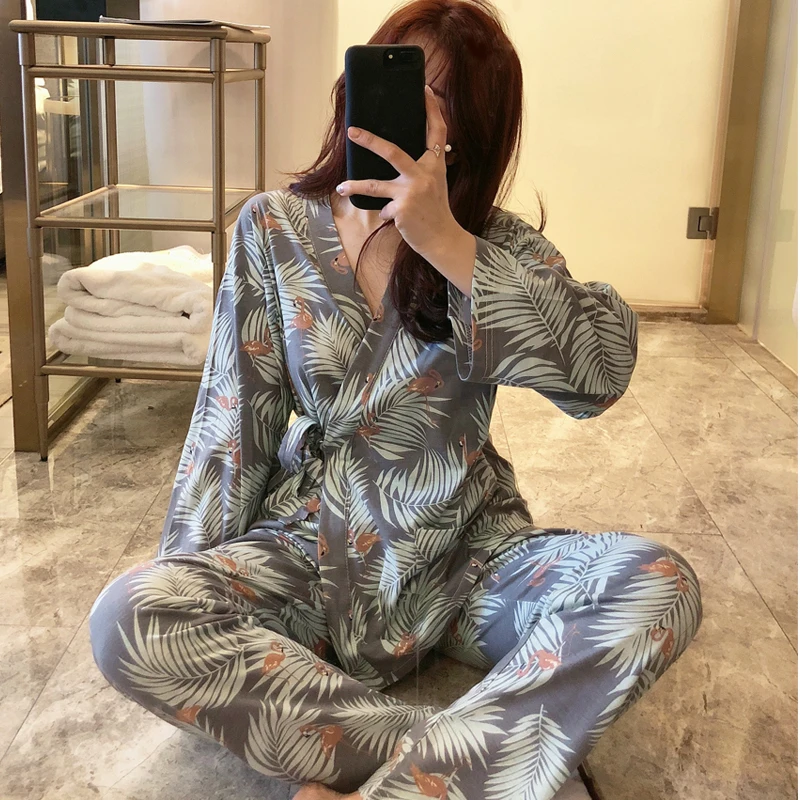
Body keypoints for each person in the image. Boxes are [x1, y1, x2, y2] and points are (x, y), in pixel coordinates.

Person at [89, 2, 703, 799]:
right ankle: (472, 762)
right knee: (130, 617)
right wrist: (200, 597)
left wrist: (446, 241)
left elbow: (603, 369)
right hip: (314, 552)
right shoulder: (274, 228)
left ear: (469, 133)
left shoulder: (493, 245)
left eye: (441, 100)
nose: (413, 112)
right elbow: (230, 429)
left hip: (467, 557)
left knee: (658, 583)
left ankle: (402, 781)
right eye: (400, 82)